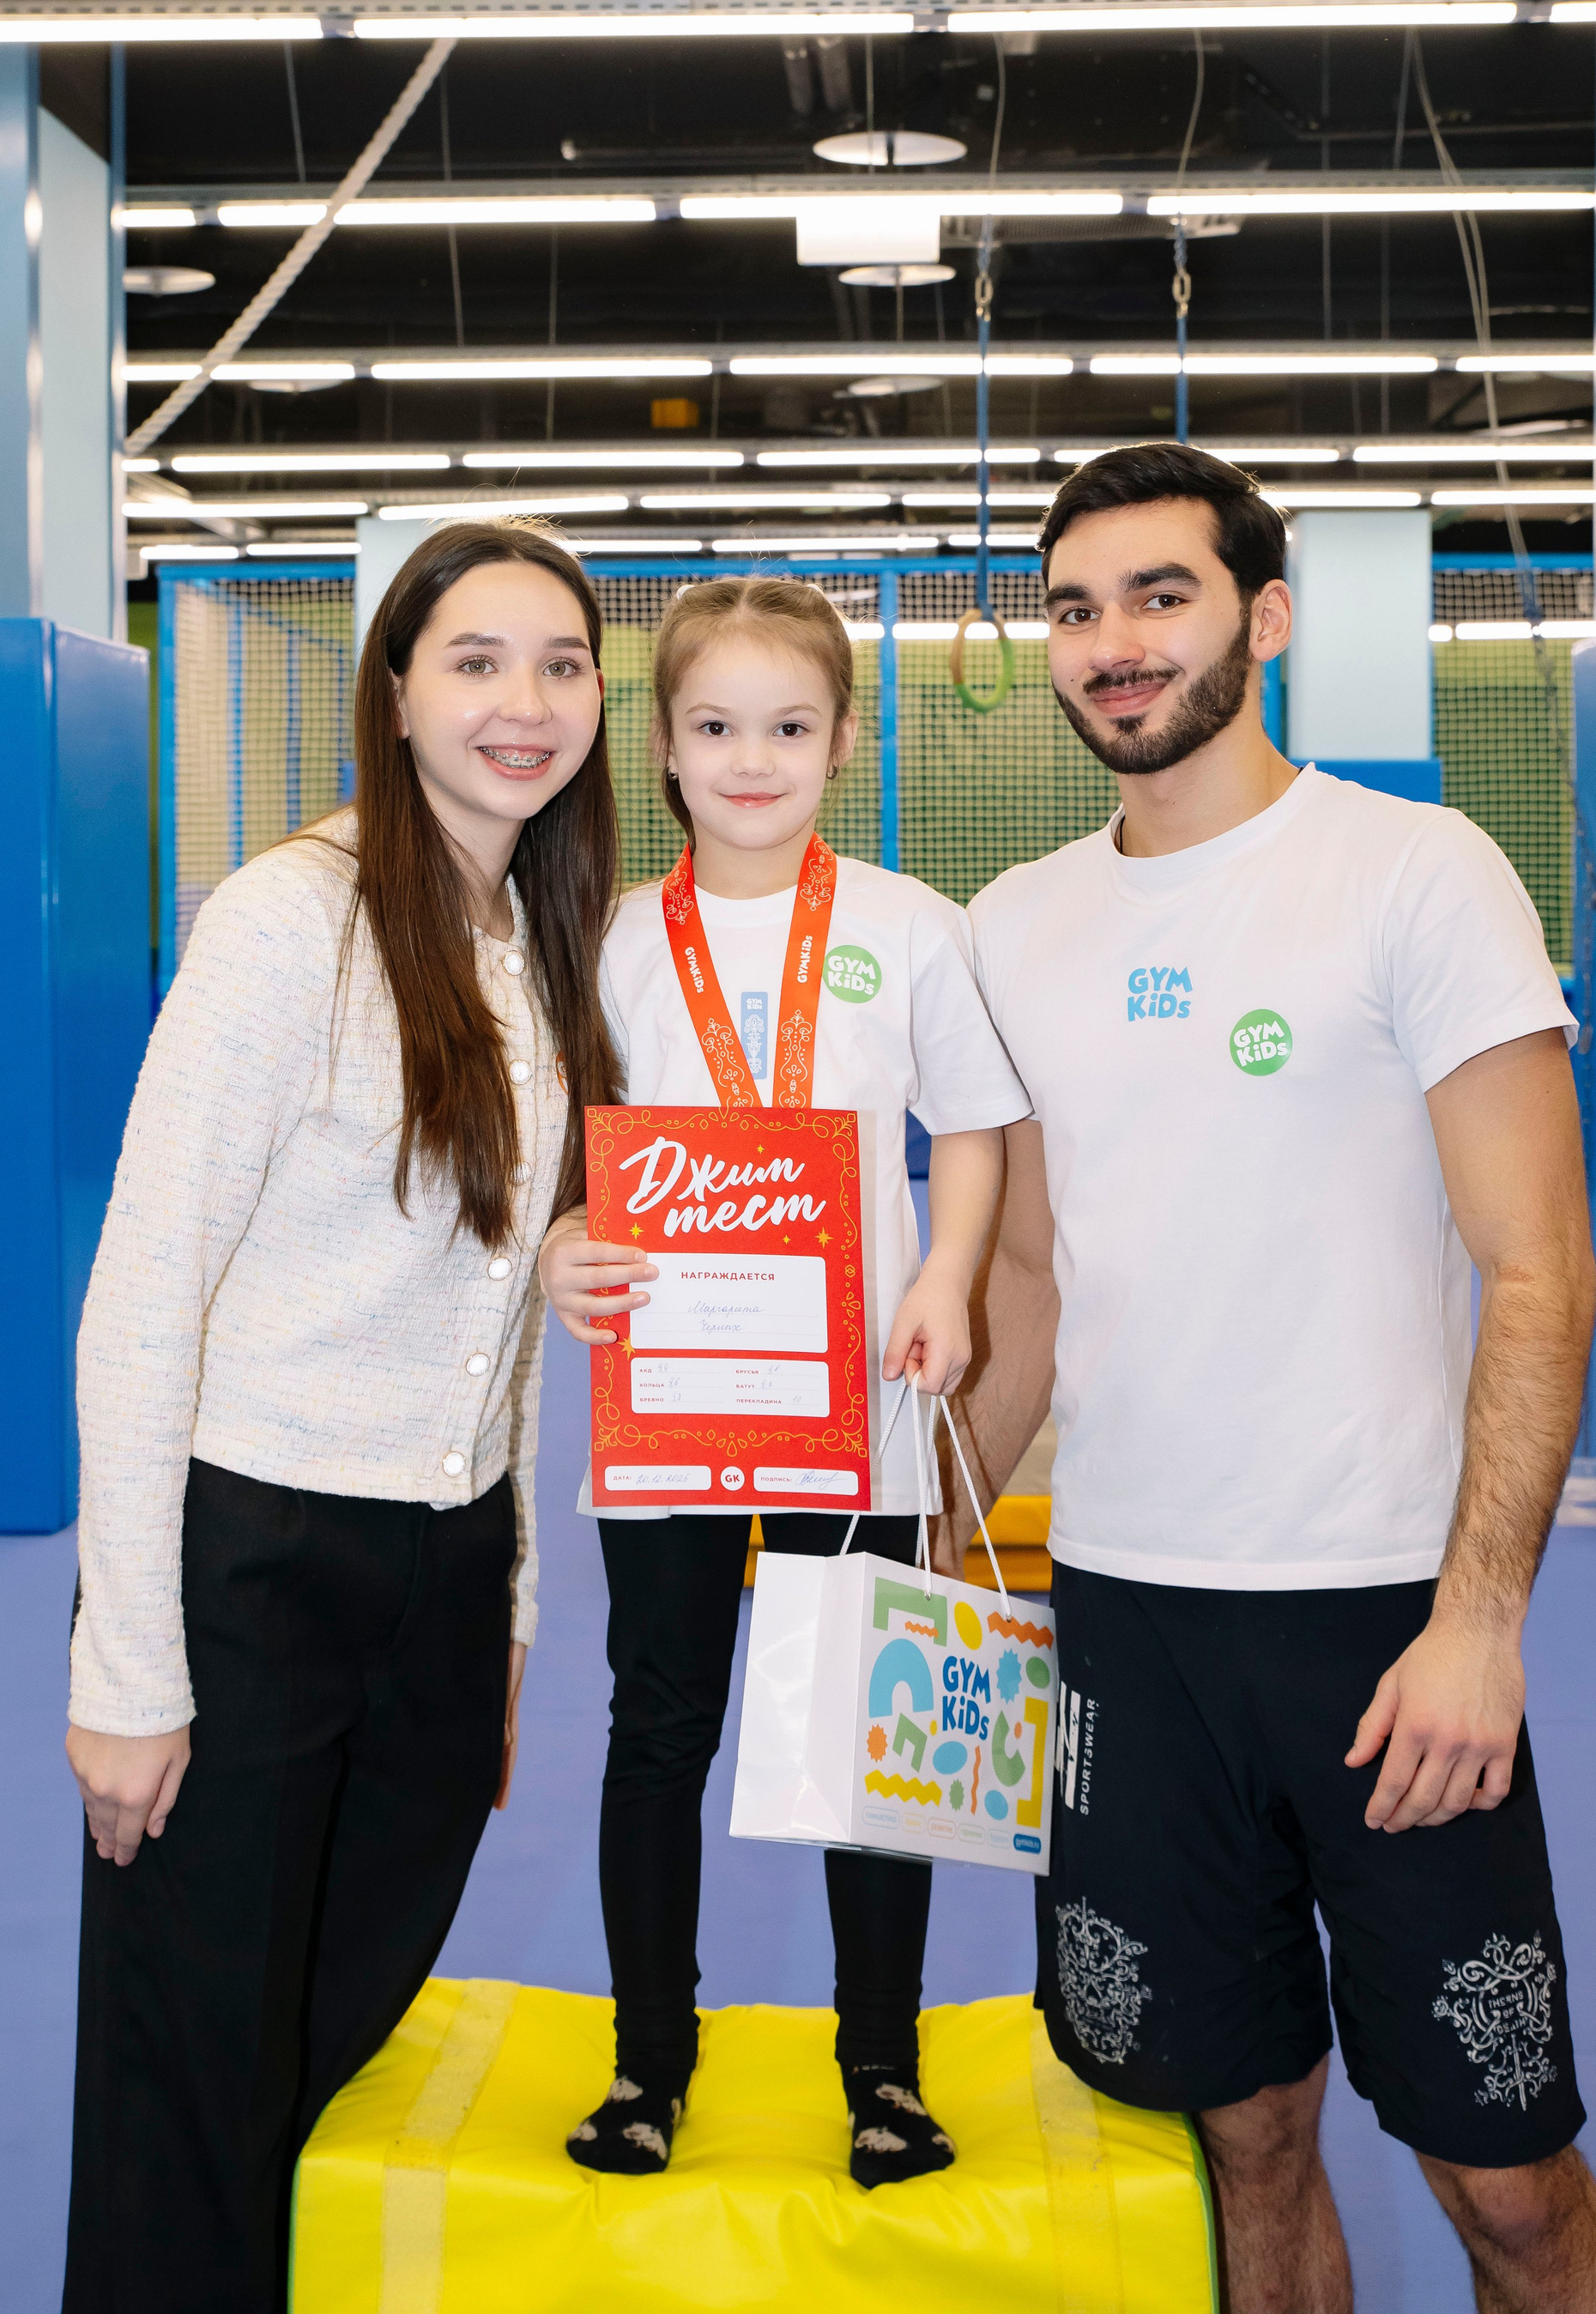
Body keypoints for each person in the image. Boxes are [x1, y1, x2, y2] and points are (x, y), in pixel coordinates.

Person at [942, 444, 1596, 2312]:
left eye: (1159, 596)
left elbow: (1539, 1266)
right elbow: (1025, 1280)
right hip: (1128, 1628)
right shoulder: (1012, 926)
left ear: (1266, 619)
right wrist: (917, 1552)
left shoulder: (1415, 873)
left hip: (1387, 1629)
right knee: (1239, 2137)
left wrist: (1480, 1621)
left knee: (1503, 2177)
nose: (1112, 642)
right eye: (1075, 608)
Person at [62, 520, 620, 2314]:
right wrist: (129, 1668)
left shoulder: (536, 942)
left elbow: (501, 1331)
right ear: (393, 695)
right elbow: (142, 1297)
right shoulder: (286, 921)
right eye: (476, 660)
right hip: (257, 1566)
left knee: (325, 2047)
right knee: (192, 2088)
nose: (524, 702)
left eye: (561, 663)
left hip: (441, 1581)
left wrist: (506, 1612)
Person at [539, 575, 1029, 2189]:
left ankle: (883, 2071)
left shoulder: (909, 927)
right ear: (663, 747)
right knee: (659, 1730)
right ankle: (647, 2065)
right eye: (716, 726)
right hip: (669, 1405)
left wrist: (946, 1277)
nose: (752, 760)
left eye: (789, 727)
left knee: (856, 1744)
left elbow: (973, 1128)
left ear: (841, 739)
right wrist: (565, 1241)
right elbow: (563, 1147)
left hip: (858, 1403)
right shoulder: (611, 938)